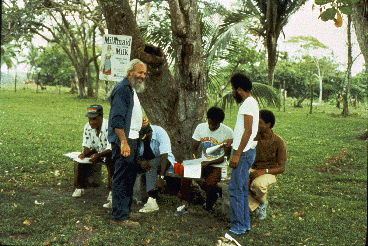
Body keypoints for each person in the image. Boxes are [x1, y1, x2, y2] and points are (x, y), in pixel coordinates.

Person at [108, 59, 146, 228]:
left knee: (129, 177)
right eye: (140, 72)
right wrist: (123, 142)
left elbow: (129, 114)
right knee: (122, 178)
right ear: (130, 72)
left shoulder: (131, 89)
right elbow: (116, 119)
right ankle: (118, 217)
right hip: (125, 140)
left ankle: (125, 211)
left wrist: (141, 121)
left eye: (144, 74)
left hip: (133, 138)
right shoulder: (123, 89)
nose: (142, 76)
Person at [174, 107, 233, 216]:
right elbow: (194, 148)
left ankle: (211, 200)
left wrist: (209, 162)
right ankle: (184, 203)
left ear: (220, 122)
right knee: (186, 172)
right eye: (210, 123)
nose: (211, 127)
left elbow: (227, 156)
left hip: (218, 165)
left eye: (214, 125)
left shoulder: (228, 132)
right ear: (207, 119)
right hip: (203, 162)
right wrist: (196, 161)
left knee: (209, 184)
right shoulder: (201, 127)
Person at [222, 73, 259, 246]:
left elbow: (249, 131)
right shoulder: (249, 103)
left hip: (243, 153)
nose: (232, 92)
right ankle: (244, 224)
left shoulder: (248, 103)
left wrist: (237, 153)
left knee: (235, 189)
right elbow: (243, 131)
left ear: (239, 89)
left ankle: (237, 227)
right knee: (241, 190)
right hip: (243, 150)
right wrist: (232, 142)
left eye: (233, 89)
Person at [72, 105, 114, 209]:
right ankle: (80, 187)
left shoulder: (110, 126)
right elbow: (86, 144)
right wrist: (83, 152)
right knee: (81, 159)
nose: (91, 122)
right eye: (89, 119)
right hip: (97, 151)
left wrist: (98, 155)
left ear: (101, 117)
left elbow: (111, 148)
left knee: (112, 162)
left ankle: (112, 194)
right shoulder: (87, 127)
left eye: (94, 119)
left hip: (109, 153)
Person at [248, 109, 287, 220]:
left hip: (270, 172)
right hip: (253, 168)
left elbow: (281, 168)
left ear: (268, 125)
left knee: (257, 185)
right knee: (240, 181)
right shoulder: (253, 137)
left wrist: (263, 172)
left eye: (259, 122)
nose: (256, 125)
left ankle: (261, 203)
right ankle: (258, 204)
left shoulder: (279, 142)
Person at [137, 122, 176, 213]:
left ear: (150, 132)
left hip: (164, 160)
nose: (144, 140)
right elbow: (134, 154)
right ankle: (132, 196)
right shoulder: (138, 135)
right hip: (145, 159)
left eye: (146, 138)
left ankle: (152, 200)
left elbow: (164, 157)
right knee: (130, 164)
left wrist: (161, 178)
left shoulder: (160, 133)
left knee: (151, 165)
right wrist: (141, 162)